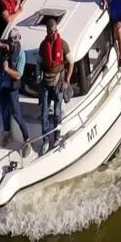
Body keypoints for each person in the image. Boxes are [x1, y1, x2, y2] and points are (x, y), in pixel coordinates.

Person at [37, 16, 72, 154]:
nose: (53, 34)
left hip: (58, 81)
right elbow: (39, 63)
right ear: (47, 31)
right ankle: (46, 140)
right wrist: (39, 80)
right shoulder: (42, 45)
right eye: (50, 32)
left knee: (57, 111)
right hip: (46, 81)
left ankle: (57, 137)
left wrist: (66, 81)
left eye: (54, 31)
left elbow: (71, 62)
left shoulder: (63, 44)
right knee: (44, 112)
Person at [0, 30, 28, 149]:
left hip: (12, 89)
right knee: (4, 112)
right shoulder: (5, 47)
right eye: (10, 41)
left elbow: (18, 75)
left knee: (17, 115)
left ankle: (27, 139)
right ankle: (7, 134)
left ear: (18, 41)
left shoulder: (21, 55)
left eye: (14, 42)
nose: (12, 44)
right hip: (2, 86)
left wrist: (7, 70)